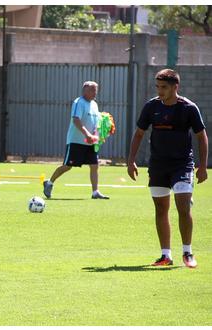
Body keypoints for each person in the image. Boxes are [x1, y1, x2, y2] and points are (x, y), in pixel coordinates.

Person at [127, 68, 208, 268]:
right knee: (161, 209)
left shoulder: (188, 108)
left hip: (182, 164)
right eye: (157, 87)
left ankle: (187, 252)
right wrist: (131, 161)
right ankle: (165, 255)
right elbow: (138, 134)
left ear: (175, 87)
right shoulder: (151, 107)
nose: (160, 91)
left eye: (164, 87)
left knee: (182, 207)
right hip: (158, 165)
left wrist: (203, 166)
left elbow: (201, 137)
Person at [43, 81, 109, 200]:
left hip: (90, 142)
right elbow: (76, 120)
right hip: (76, 141)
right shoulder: (79, 102)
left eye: (96, 90)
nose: (95, 93)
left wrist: (98, 134)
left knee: (94, 165)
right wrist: (87, 134)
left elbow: (97, 123)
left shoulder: (94, 104)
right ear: (84, 90)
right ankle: (49, 182)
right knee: (68, 166)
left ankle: (95, 192)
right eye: (92, 90)